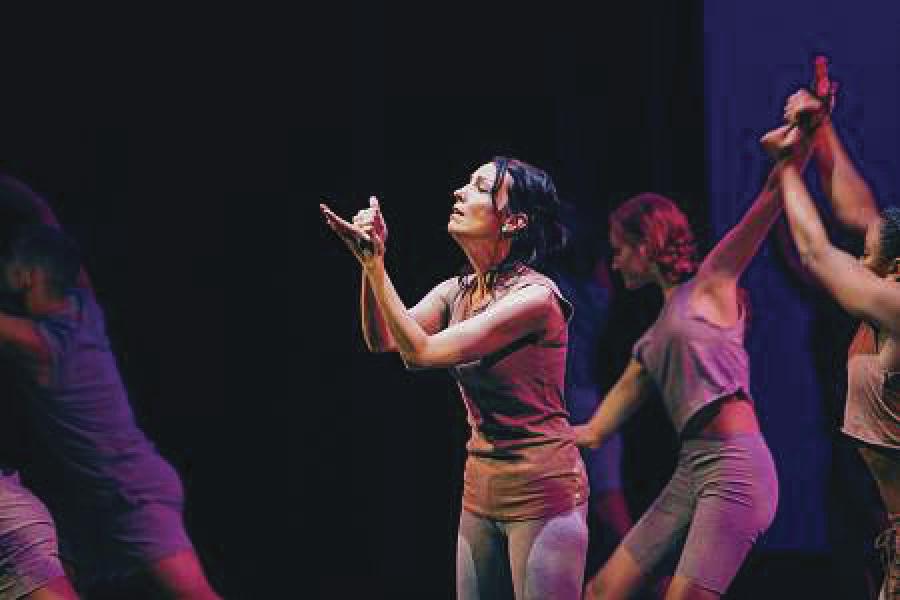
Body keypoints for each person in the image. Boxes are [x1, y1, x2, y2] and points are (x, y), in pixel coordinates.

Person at [321, 157, 589, 599]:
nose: (459, 193)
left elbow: (421, 353)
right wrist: (369, 266)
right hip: (480, 487)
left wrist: (377, 265)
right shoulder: (458, 290)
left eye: (480, 187)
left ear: (514, 221)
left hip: (542, 489)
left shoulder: (535, 300)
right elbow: (384, 338)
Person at [573, 125, 819, 597]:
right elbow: (595, 430)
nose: (616, 261)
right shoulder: (648, 345)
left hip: (735, 470)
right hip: (690, 471)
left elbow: (769, 203)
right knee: (601, 592)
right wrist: (526, 435)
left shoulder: (711, 285)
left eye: (620, 249)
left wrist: (800, 145)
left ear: (646, 246)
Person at [0, 183, 220, 599]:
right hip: (101, 498)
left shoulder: (42, 347)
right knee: (44, 575)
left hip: (130, 492)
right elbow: (50, 228)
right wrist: (20, 193)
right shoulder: (84, 309)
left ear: (27, 276)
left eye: (5, 261)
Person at [775, 69, 900, 600]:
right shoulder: (886, 289)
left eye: (867, 250)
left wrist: (786, 165)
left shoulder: (891, 303)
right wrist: (822, 131)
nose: (859, 252)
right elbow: (859, 212)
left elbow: (815, 252)